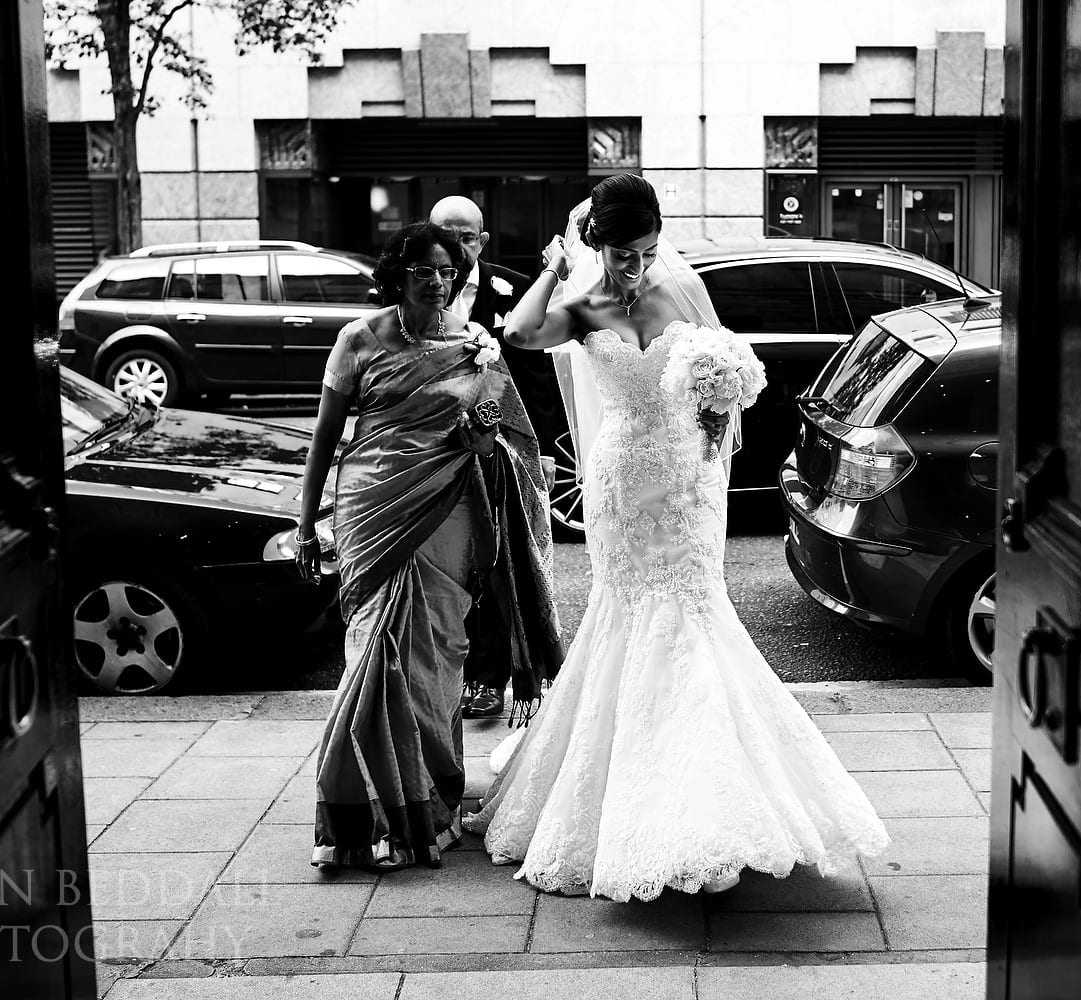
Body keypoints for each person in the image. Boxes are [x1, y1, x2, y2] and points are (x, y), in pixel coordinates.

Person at [463, 175, 890, 901]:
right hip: (621, 483)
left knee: (693, 611)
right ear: (599, 245)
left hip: (686, 484)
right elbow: (520, 333)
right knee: (623, 611)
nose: (637, 269)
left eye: (649, 252)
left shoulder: (676, 293)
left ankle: (716, 803)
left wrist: (720, 406)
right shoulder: (581, 303)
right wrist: (554, 268)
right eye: (624, 255)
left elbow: (719, 387)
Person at [294, 221, 563, 872]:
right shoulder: (356, 340)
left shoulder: (477, 348)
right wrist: (307, 524)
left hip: (450, 514)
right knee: (375, 658)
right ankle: (365, 816)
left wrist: (481, 443)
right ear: (397, 275)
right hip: (371, 510)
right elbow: (325, 440)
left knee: (434, 658)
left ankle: (428, 806)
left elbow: (511, 441)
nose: (439, 282)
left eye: (449, 271)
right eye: (425, 272)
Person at [428, 195, 562, 720]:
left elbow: (538, 376)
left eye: (467, 237)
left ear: (482, 240)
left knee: (491, 562)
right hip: (433, 453)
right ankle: (440, 673)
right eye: (446, 235)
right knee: (444, 566)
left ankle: (487, 679)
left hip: (499, 450)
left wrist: (545, 451)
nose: (457, 248)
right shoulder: (416, 287)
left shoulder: (513, 289)